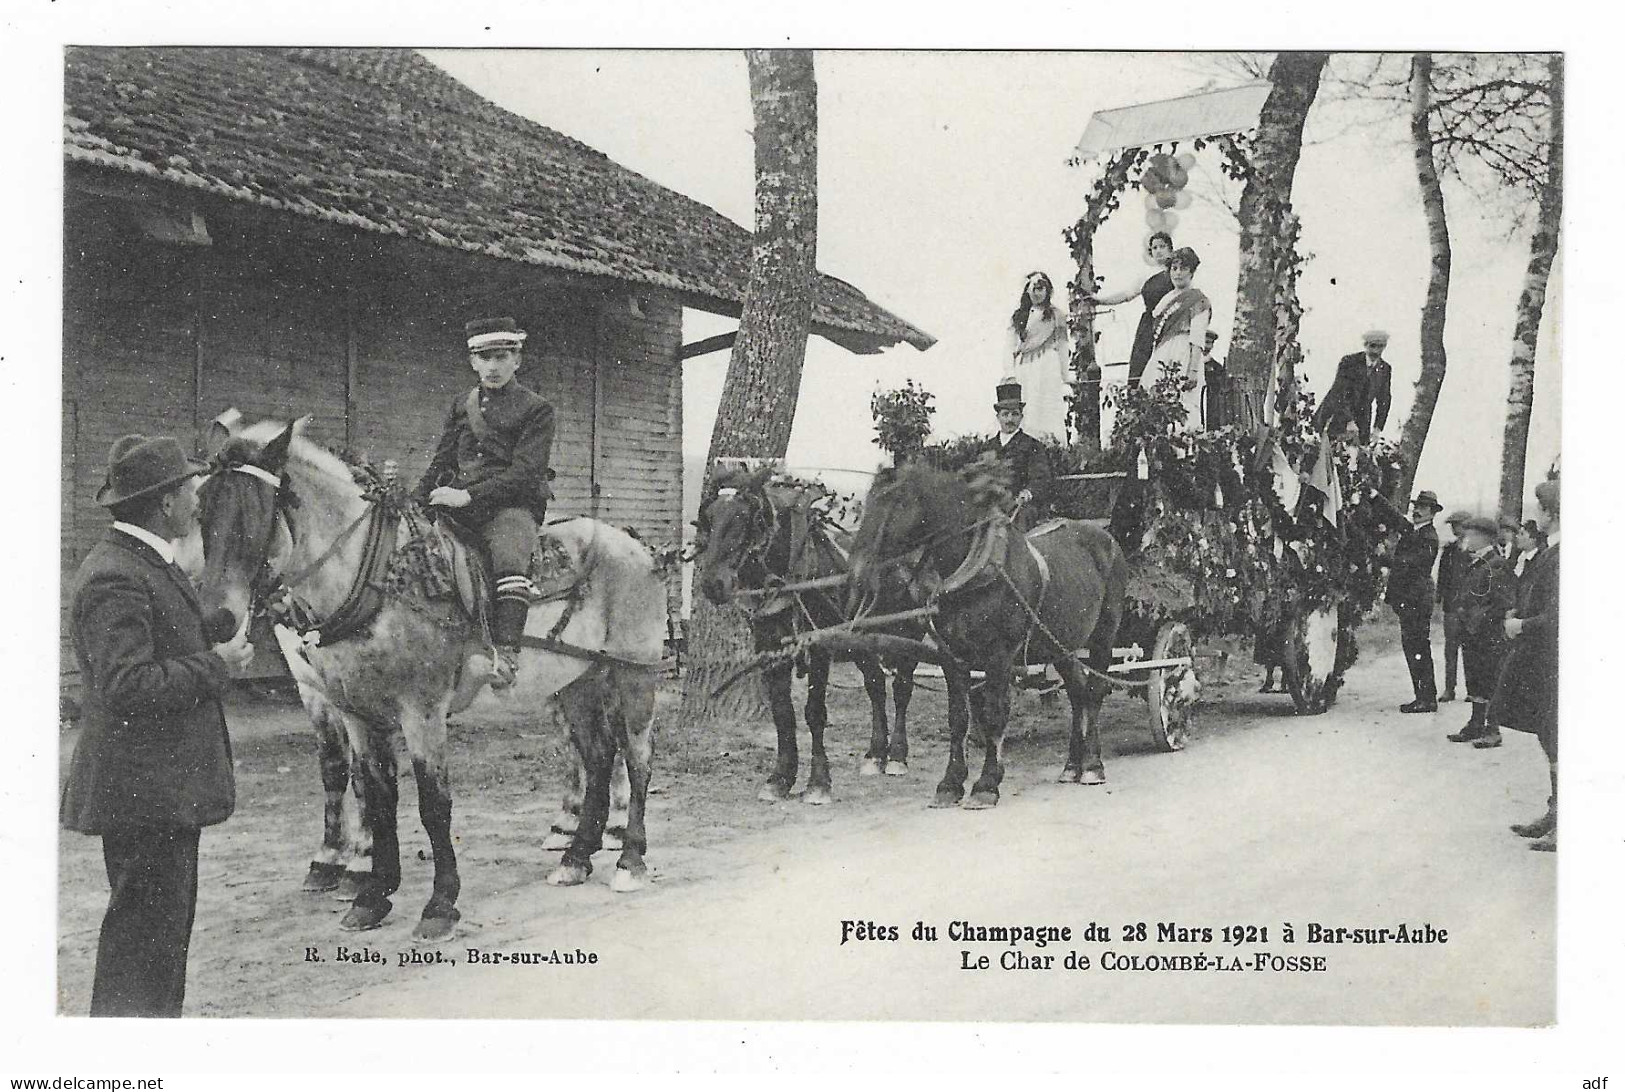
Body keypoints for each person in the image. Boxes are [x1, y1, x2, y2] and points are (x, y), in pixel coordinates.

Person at [61, 435, 257, 1016]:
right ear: (166, 502)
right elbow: (128, 685)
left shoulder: (142, 561)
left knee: (158, 945)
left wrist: (227, 623)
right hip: (144, 795)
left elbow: (173, 628)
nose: (198, 501)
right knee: (141, 950)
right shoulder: (115, 575)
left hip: (161, 794)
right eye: (191, 490)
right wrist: (216, 667)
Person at [416, 316, 557, 687]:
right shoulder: (463, 405)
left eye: (501, 357)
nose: (493, 366)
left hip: (511, 504)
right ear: (473, 362)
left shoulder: (536, 408)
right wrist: (415, 502)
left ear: (517, 361)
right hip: (459, 501)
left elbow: (527, 472)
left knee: (509, 557)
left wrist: (468, 495)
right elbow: (442, 460)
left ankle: (506, 655)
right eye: (484, 357)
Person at [1491, 480, 1560, 851]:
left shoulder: (1564, 553)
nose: (1536, 517)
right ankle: (1556, 813)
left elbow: (1558, 614)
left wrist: (1521, 625)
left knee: (1558, 738)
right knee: (1549, 736)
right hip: (1543, 656)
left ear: (1552, 513)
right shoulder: (1552, 552)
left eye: (1540, 510)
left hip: (1552, 658)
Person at [1444, 515, 1516, 748]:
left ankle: (1492, 729)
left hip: (1488, 633)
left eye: (1471, 534)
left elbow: (1503, 601)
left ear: (1483, 537)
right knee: (1474, 679)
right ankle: (1475, 724)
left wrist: (1479, 619)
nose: (1467, 538)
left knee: (1489, 680)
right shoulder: (1476, 561)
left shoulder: (1496, 564)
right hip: (1473, 632)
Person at [1381, 490, 1444, 712]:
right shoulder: (1415, 531)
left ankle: (1426, 698)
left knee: (1418, 649)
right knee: (1414, 648)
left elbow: (1412, 563)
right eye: (1416, 506)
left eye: (1423, 508)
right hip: (1410, 601)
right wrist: (1374, 496)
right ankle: (1423, 696)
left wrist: (1385, 557)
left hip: (1416, 601)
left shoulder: (1429, 537)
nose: (1417, 510)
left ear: (1432, 512)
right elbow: (1395, 518)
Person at [1089, 231, 1175, 387]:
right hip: (1149, 326)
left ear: (1171, 249)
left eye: (1162, 246)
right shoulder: (1147, 275)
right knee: (1141, 367)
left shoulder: (1177, 273)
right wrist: (1100, 301)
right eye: (1154, 247)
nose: (1158, 251)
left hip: (1172, 323)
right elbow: (1126, 295)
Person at [1004, 271, 1071, 441]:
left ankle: (1051, 444)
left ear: (1048, 290)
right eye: (1033, 289)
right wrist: (1010, 373)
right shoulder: (1018, 316)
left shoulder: (1056, 315)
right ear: (1027, 291)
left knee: (1047, 405)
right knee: (1028, 405)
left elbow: (1063, 345)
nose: (1037, 293)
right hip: (1025, 366)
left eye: (1041, 289)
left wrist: (1066, 375)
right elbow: (1009, 346)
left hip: (1048, 364)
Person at [1148, 246, 1211, 424]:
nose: (1178, 273)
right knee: (1159, 403)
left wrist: (1193, 371)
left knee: (1184, 406)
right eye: (1174, 268)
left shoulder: (1198, 299)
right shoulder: (1166, 299)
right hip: (1162, 353)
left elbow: (1197, 339)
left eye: (1183, 268)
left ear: (1192, 272)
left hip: (1185, 355)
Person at [991, 378, 1054, 532]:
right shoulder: (988, 447)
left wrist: (1028, 493)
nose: (1010, 419)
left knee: (1021, 518)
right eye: (1005, 414)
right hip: (994, 507)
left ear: (1021, 417)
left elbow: (1042, 478)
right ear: (998, 417)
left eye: (1015, 414)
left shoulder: (1032, 446)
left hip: (1022, 505)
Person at [1312, 329, 1394, 443]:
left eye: (1380, 347)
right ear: (1365, 345)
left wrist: (1377, 428)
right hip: (1335, 415)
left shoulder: (1385, 369)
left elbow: (1384, 400)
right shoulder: (1349, 362)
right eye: (1372, 346)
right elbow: (1338, 393)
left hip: (1362, 421)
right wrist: (1348, 421)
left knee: (1358, 455)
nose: (1376, 351)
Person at [1435, 510, 1471, 701]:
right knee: (1451, 648)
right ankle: (1450, 688)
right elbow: (1442, 575)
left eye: (1458, 525)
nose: (1455, 529)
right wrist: (1439, 596)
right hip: (1451, 606)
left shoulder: (1475, 550)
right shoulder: (1449, 550)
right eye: (1454, 526)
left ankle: (1473, 690)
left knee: (1471, 648)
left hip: (1471, 607)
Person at [1200, 329, 1227, 429]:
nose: (1206, 346)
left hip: (1209, 403)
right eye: (1204, 342)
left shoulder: (1216, 366)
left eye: (1209, 343)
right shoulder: (1190, 363)